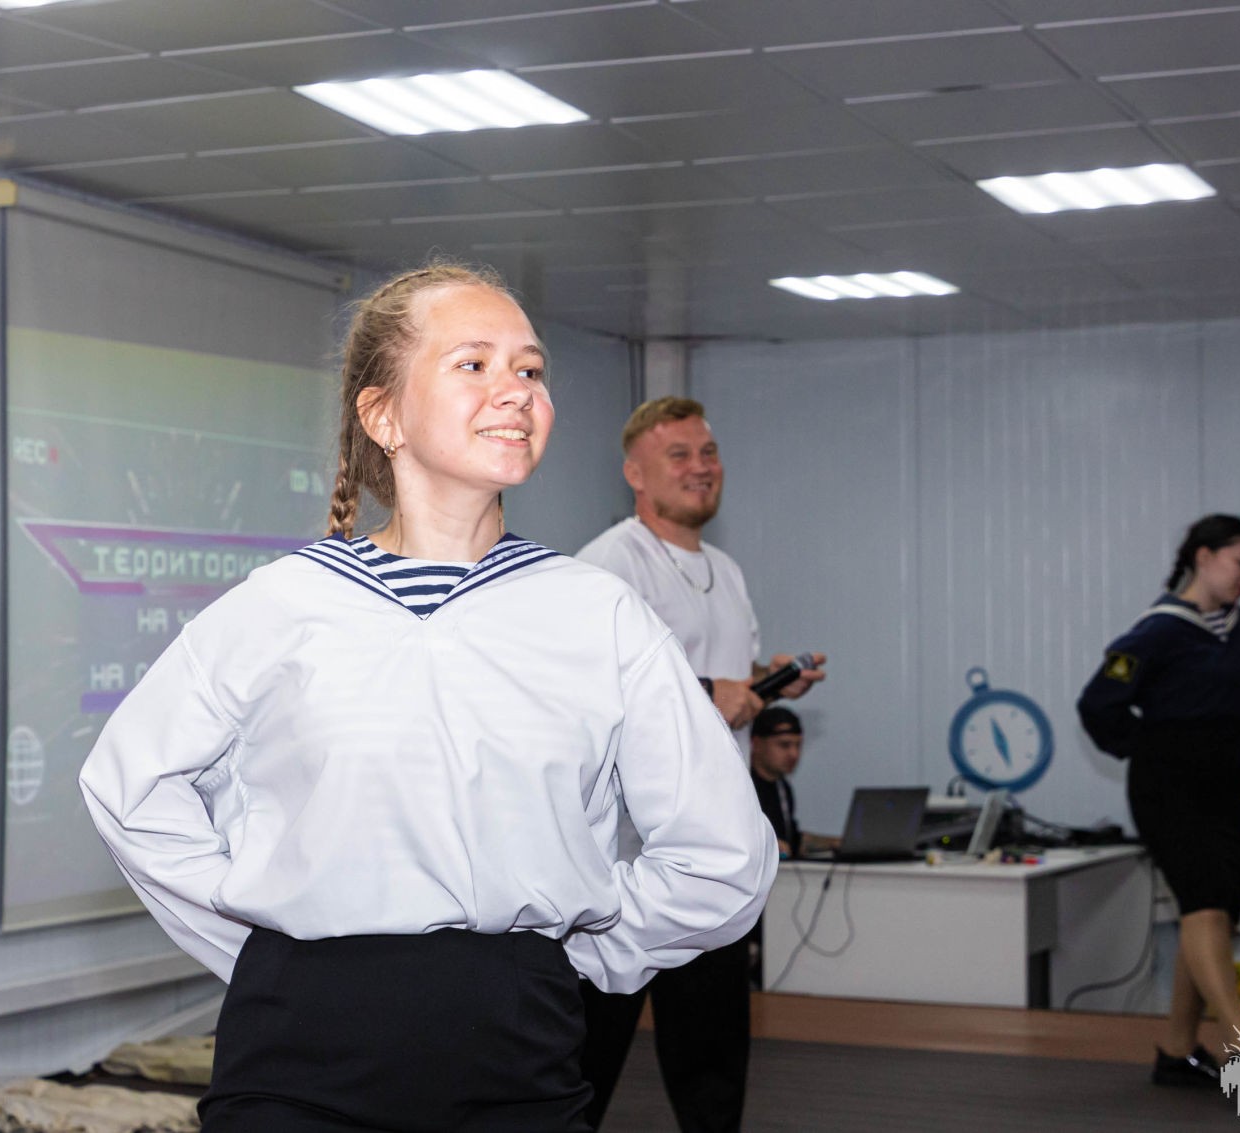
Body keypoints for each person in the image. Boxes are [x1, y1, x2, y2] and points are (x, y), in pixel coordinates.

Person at [78, 265, 777, 1132]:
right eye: (474, 364)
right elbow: (129, 786)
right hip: (293, 1058)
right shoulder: (285, 602)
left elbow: (723, 852)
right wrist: (260, 934)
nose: (516, 391)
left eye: (530, 369)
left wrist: (575, 954)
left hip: (518, 1057)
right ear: (384, 416)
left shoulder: (596, 613)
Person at [575, 396, 826, 1133]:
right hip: (620, 863)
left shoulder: (725, 570)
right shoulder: (607, 564)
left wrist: (767, 677)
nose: (700, 467)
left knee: (712, 1061)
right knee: (586, 1059)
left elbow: (722, 680)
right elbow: (588, 687)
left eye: (708, 452)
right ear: (635, 474)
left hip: (709, 848)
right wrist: (711, 691)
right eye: (678, 455)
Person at [1077, 514, 1240, 1090]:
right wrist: (1148, 747)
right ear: (1203, 557)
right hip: (1168, 788)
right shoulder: (1156, 631)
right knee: (1204, 901)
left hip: (1224, 787)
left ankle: (1178, 1050)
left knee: (1216, 909)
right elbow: (1097, 702)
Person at [749, 706, 806, 860]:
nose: (794, 754)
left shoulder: (783, 788)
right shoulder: (741, 787)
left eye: (798, 745)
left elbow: (793, 840)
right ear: (756, 744)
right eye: (784, 745)